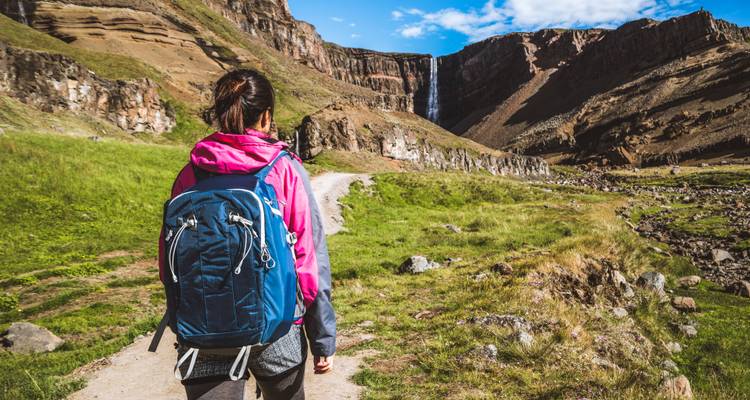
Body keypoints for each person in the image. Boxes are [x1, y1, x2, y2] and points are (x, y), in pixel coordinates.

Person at [158, 69, 336, 400]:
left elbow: (168, 261)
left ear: (222, 112)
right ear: (266, 115)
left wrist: (181, 320)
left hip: (202, 329)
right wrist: (322, 336)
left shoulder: (191, 171)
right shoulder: (284, 168)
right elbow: (309, 261)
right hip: (277, 327)